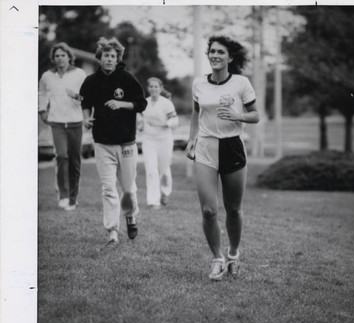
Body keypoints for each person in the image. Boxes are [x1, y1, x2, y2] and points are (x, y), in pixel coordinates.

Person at [186, 35, 259, 281]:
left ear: (230, 57)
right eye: (212, 51)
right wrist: (191, 138)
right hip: (205, 147)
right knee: (208, 210)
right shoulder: (198, 84)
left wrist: (238, 115)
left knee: (234, 209)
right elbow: (195, 113)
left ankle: (234, 256)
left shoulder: (241, 83)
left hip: (232, 147)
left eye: (221, 52)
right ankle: (217, 259)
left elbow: (255, 115)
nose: (215, 55)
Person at [79, 37, 147, 247]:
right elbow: (85, 103)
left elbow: (141, 103)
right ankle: (112, 232)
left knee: (128, 187)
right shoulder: (91, 81)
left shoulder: (127, 78)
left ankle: (130, 216)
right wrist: (86, 119)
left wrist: (121, 104)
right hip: (102, 143)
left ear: (118, 59)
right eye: (106, 56)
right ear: (99, 58)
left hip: (126, 142)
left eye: (113, 56)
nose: (109, 59)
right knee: (108, 188)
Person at [38, 42, 87, 211]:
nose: (60, 58)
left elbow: (88, 97)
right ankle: (63, 196)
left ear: (69, 57)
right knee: (61, 156)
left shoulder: (79, 74)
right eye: (57, 56)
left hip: (75, 121)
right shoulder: (47, 76)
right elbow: (42, 93)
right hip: (56, 122)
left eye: (63, 55)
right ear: (53, 58)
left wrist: (76, 96)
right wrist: (42, 110)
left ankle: (73, 198)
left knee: (75, 160)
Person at [141, 77, 178, 209]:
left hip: (164, 140)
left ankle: (165, 192)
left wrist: (164, 124)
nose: (153, 89)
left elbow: (174, 120)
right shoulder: (144, 103)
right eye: (151, 86)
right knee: (151, 170)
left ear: (161, 88)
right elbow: (140, 120)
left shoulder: (166, 103)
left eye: (156, 86)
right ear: (148, 88)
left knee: (164, 170)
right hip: (149, 140)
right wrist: (140, 125)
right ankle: (153, 201)